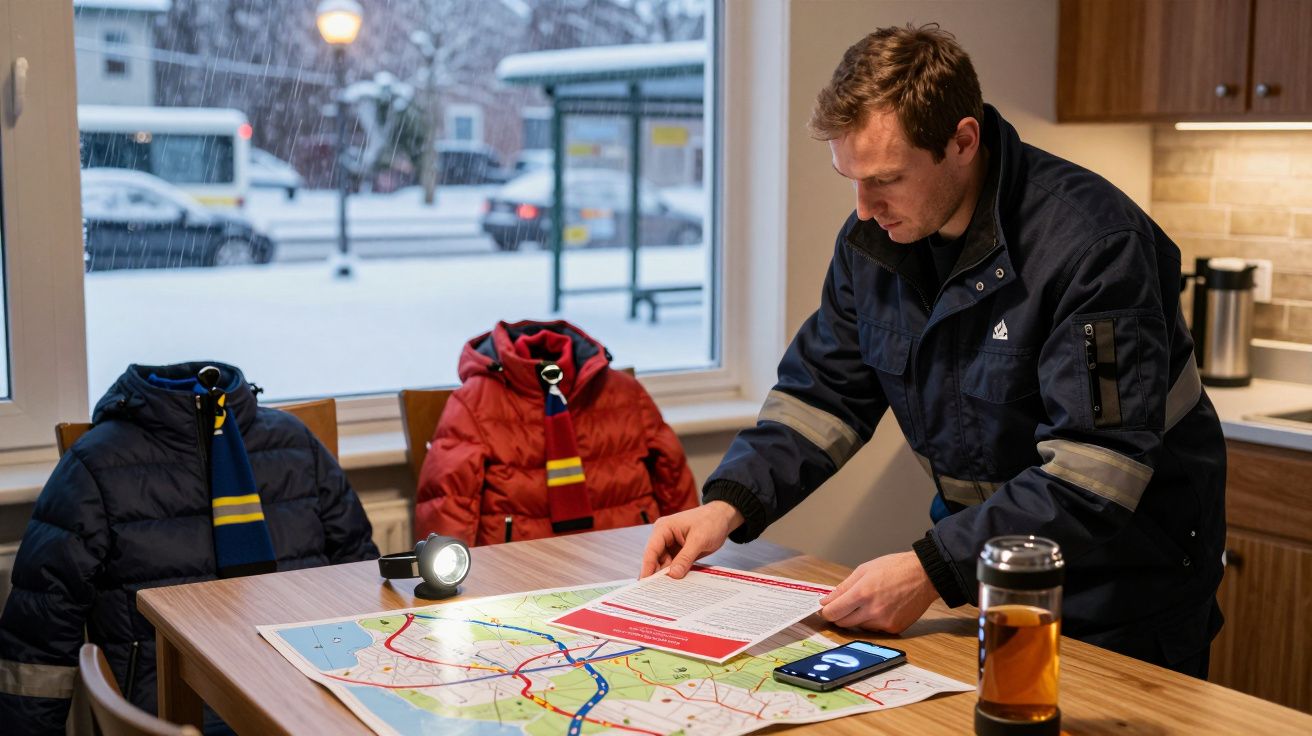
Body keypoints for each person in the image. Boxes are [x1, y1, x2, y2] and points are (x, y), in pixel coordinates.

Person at [640, 24, 1226, 678]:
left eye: (886, 179)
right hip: (983, 574)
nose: (864, 208)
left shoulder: (1093, 246)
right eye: (850, 179)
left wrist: (930, 567)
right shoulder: (873, 245)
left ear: (963, 142)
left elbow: (1096, 472)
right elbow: (822, 397)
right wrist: (727, 505)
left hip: (1121, 591)